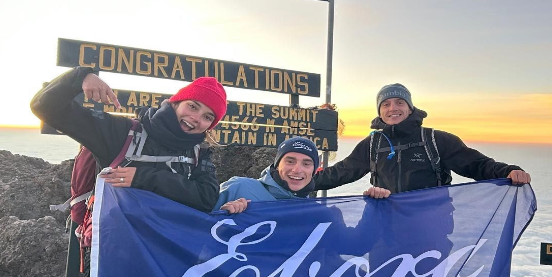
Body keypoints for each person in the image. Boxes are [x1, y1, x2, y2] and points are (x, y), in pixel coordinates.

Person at [31, 66, 227, 277]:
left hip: (166, 256)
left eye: (207, 117)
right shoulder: (120, 132)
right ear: (177, 101)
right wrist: (80, 77)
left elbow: (206, 198)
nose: (196, 118)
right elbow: (45, 107)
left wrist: (143, 178)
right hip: (112, 255)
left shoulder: (199, 153)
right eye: (193, 106)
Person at [314, 83, 530, 198]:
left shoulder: (436, 140)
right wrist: (299, 181)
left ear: (410, 108)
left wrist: (508, 171)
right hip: (385, 225)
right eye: (386, 104)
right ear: (380, 111)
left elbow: (477, 165)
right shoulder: (372, 144)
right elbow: (341, 172)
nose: (393, 108)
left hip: (432, 226)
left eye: (399, 102)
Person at [217, 136, 320, 214]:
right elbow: (202, 224)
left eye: (306, 164)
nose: (297, 170)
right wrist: (221, 213)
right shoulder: (238, 187)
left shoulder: (314, 213)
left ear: (313, 171)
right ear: (277, 165)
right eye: (290, 161)